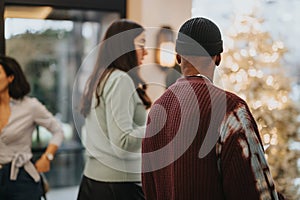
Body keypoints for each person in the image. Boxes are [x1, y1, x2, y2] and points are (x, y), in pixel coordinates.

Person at [142, 17, 282, 200]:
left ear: (177, 57)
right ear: (218, 58)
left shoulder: (157, 108)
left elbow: (149, 187)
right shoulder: (231, 109)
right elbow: (256, 190)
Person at [77, 19, 151, 200]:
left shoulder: (102, 77)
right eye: (141, 44)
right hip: (117, 187)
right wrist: (158, 126)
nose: (146, 51)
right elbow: (122, 143)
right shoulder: (120, 80)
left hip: (93, 182)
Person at [0, 55, 64, 200]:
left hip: (21, 178)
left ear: (10, 77)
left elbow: (58, 131)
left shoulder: (30, 106)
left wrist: (47, 157)